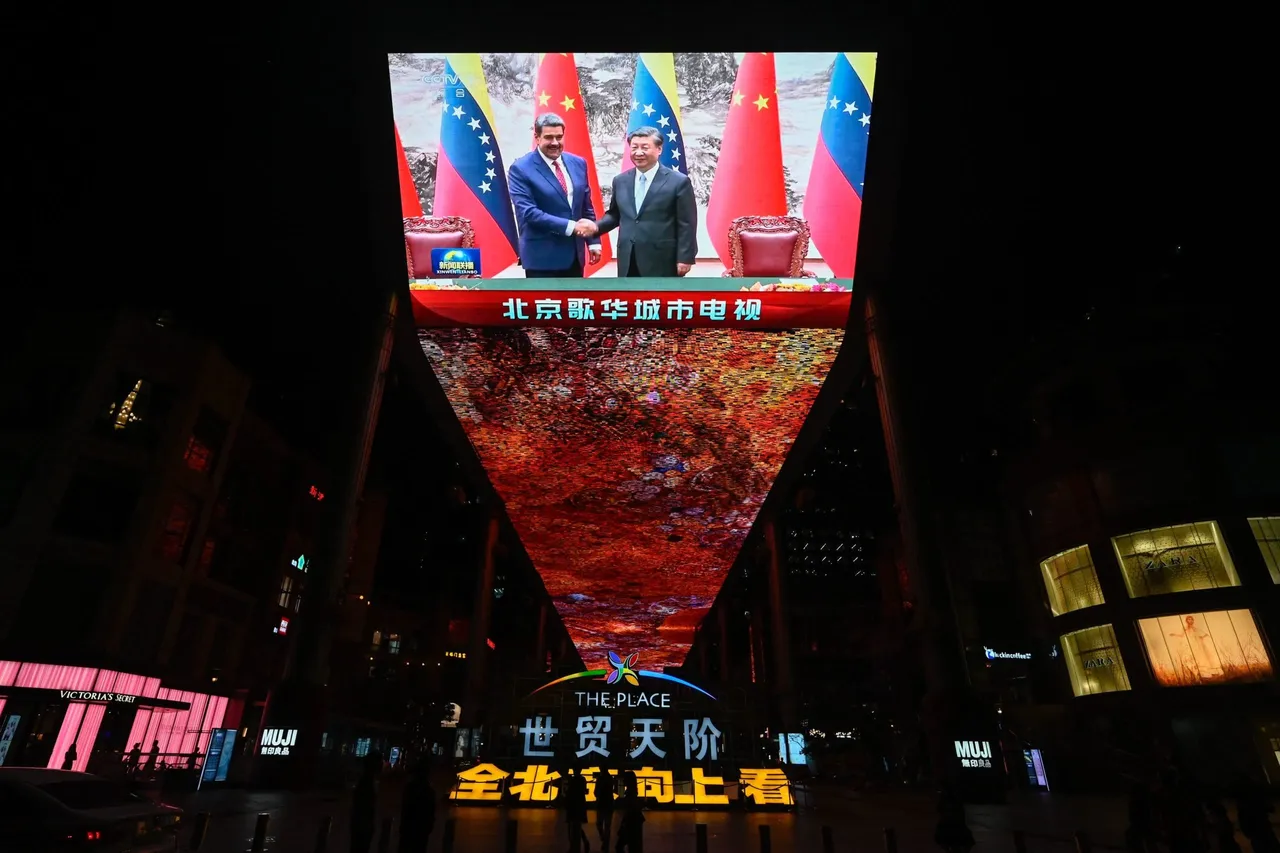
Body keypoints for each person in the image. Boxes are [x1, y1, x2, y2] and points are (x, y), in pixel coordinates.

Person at [585, 126, 697, 278]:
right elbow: (615, 215)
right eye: (634, 147)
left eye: (645, 147)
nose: (638, 153)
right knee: (629, 301)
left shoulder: (678, 182)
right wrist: (595, 227)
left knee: (659, 302)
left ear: (659, 149)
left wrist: (685, 257)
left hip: (663, 259)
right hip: (628, 257)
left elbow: (687, 223)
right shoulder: (620, 181)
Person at [508, 113, 601, 278]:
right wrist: (573, 227)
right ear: (537, 138)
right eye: (549, 137)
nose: (555, 143)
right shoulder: (520, 168)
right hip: (542, 259)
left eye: (559, 137)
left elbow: (585, 206)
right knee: (546, 304)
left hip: (575, 257)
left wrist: (593, 241)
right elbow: (528, 212)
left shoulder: (578, 163)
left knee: (574, 303)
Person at [397, 763, 435, 853]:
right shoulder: (429, 791)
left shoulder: (409, 789)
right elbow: (431, 811)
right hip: (422, 829)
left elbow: (405, 809)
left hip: (409, 828)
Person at [349, 751, 383, 853]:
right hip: (362, 827)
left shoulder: (368, 781)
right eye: (380, 762)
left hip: (361, 826)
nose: (382, 765)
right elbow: (364, 807)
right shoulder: (366, 783)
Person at [933, 787, 974, 853]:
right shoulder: (955, 801)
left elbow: (940, 811)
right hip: (954, 824)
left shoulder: (946, 801)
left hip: (950, 824)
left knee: (943, 839)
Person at [563, 766, 591, 853]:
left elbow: (569, 792)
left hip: (573, 806)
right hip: (579, 805)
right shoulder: (582, 779)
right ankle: (582, 843)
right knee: (577, 826)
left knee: (572, 827)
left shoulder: (573, 780)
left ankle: (573, 846)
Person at [615, 771, 644, 853]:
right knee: (633, 846)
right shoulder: (633, 791)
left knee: (621, 846)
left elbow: (630, 806)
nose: (623, 780)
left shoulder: (630, 793)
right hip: (634, 821)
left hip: (631, 821)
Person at [595, 771, 615, 851]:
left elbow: (596, 792)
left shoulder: (600, 779)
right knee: (607, 826)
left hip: (601, 804)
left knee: (599, 823)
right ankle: (606, 843)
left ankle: (604, 839)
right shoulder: (610, 779)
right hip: (609, 804)